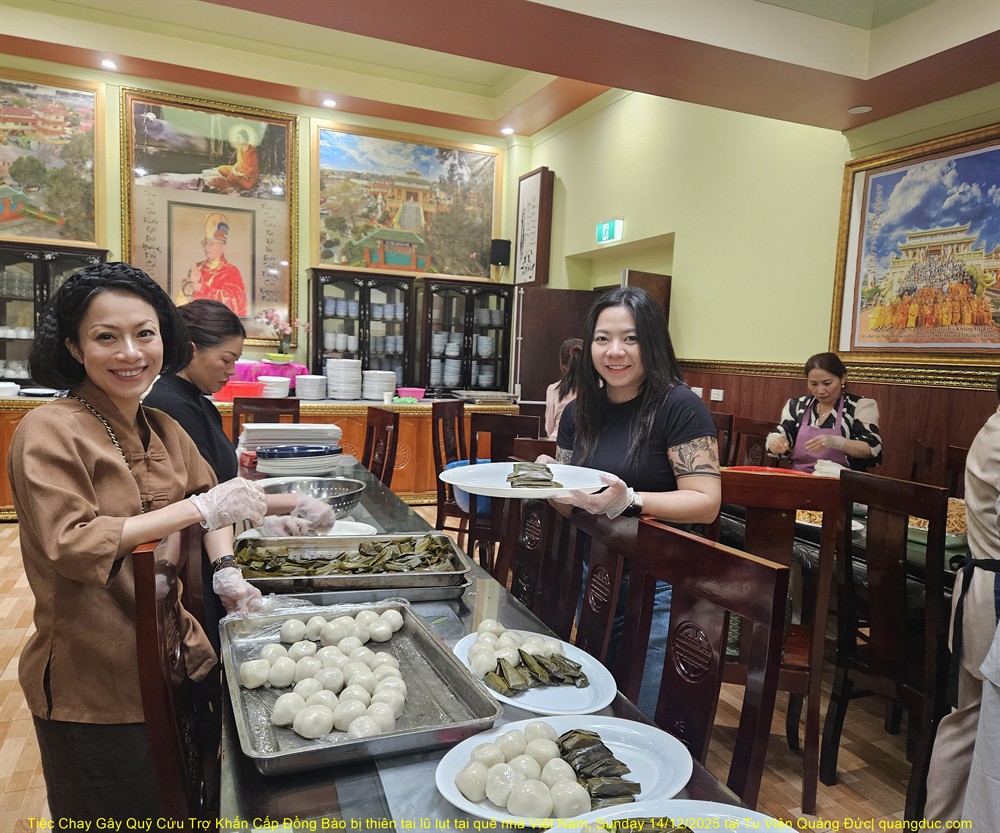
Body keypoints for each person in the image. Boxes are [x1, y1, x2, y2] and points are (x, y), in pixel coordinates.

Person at [5, 263, 323, 823]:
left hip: (179, 652)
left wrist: (226, 570)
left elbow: (211, 498)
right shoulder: (49, 430)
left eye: (144, 333)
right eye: (106, 337)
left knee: (191, 806)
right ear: (75, 347)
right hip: (98, 679)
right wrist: (200, 509)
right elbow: (73, 544)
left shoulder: (162, 426)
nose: (130, 352)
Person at [547, 286, 721, 714]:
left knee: (641, 707)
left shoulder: (679, 406)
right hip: (596, 572)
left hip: (659, 581)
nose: (615, 351)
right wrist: (545, 484)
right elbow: (569, 502)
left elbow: (705, 502)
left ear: (653, 342)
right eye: (602, 338)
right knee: (598, 697)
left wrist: (631, 500)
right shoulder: (578, 412)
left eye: (631, 338)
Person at [924, 375, 1000, 823]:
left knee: (966, 719)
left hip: (979, 588)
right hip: (992, 595)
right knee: (972, 721)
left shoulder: (992, 425)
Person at [765, 351, 882, 473]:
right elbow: (782, 434)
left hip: (842, 480)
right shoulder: (797, 405)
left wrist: (837, 442)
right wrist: (775, 442)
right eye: (813, 384)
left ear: (842, 378)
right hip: (800, 477)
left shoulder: (859, 405)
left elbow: (872, 448)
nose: (820, 390)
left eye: (827, 383)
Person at [182, 211, 248, 316]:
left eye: (212, 244)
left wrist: (201, 289)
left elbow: (237, 302)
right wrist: (191, 283)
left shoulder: (231, 271)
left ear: (223, 248)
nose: (207, 247)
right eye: (205, 243)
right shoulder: (197, 268)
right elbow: (182, 302)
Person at [544, 337, 582, 440]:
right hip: (588, 445)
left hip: (557, 442)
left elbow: (549, 428)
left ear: (564, 365)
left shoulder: (553, 389)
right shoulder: (600, 386)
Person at [208, 128, 259, 193]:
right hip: (239, 169)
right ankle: (236, 178)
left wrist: (243, 174)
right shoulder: (240, 148)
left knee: (248, 185)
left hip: (248, 174)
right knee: (221, 168)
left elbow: (254, 168)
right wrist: (234, 169)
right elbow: (239, 162)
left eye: (239, 138)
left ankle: (237, 178)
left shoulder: (253, 151)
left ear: (245, 138)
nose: (237, 140)